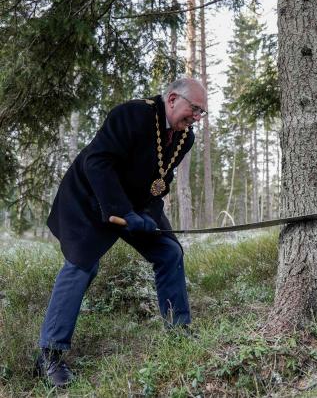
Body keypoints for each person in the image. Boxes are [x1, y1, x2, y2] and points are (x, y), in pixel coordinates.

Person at [36, 78, 208, 387]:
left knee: (169, 252)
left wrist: (148, 217)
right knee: (82, 265)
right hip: (88, 198)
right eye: (194, 109)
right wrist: (123, 211)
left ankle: (179, 333)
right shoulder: (132, 114)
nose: (196, 117)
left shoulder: (185, 138)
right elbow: (97, 162)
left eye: (201, 113)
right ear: (171, 100)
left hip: (136, 205)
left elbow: (158, 183)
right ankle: (49, 355)